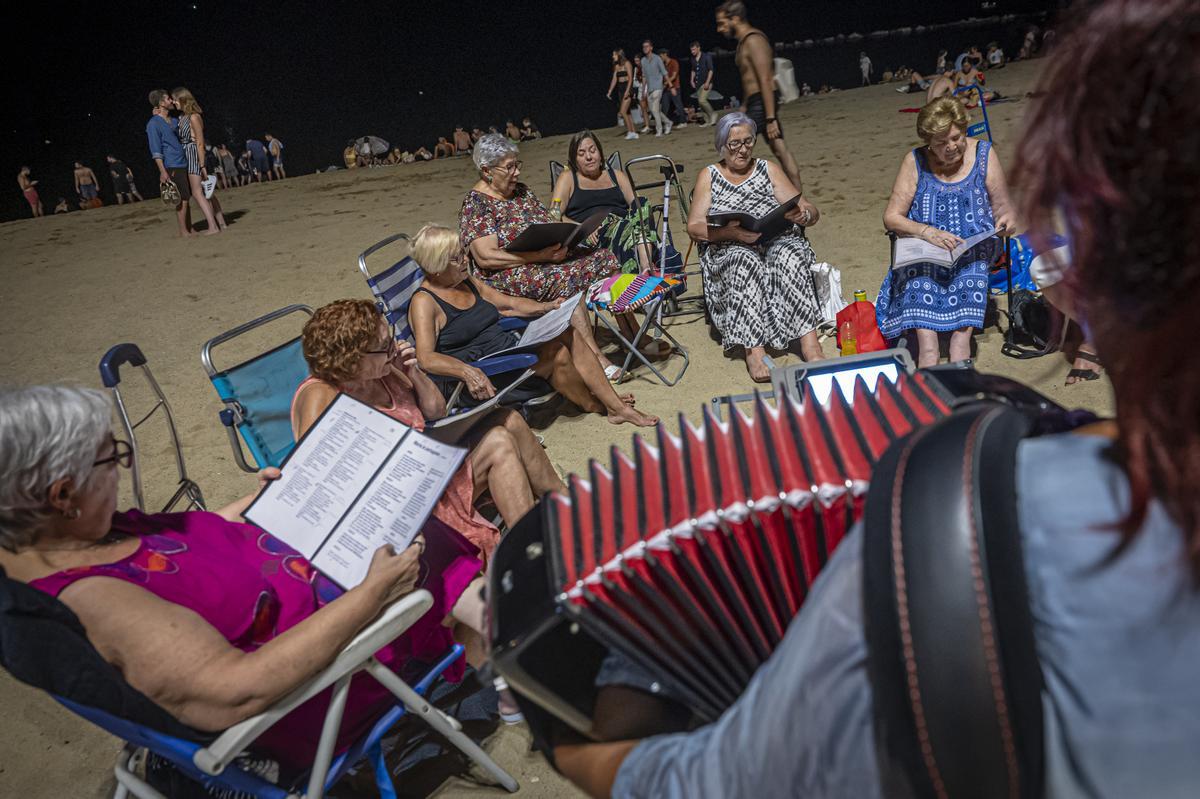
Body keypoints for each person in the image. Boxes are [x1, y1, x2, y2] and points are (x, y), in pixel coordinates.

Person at [546, 7, 1200, 795]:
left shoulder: (959, 525)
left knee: (792, 273)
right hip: (735, 256)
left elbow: (716, 780)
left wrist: (562, 733)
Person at [0, 385, 491, 779]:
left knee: (417, 526)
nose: (122, 469)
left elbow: (182, 543)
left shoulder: (66, 535)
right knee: (432, 548)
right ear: (62, 495)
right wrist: (372, 595)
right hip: (319, 685)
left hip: (302, 564)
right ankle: (495, 681)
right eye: (113, 459)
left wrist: (257, 504)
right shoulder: (97, 601)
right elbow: (238, 692)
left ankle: (491, 656)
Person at [292, 298, 567, 553]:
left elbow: (434, 411)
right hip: (395, 502)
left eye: (391, 339)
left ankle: (564, 506)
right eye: (385, 346)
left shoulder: (383, 371)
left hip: (426, 471)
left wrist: (412, 371)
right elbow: (319, 477)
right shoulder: (322, 396)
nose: (394, 347)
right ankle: (533, 549)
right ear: (352, 359)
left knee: (509, 420)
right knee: (499, 442)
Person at [408, 225, 658, 427]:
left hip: (506, 351)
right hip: (485, 372)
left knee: (567, 332)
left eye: (463, 253)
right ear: (436, 267)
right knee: (557, 353)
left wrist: (547, 307)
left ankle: (610, 405)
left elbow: (508, 305)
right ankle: (603, 405)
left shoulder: (465, 281)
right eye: (456, 258)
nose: (465, 260)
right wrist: (467, 372)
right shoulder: (424, 302)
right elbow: (426, 357)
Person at [875, 97, 1016, 367]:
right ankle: (928, 361)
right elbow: (891, 217)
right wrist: (926, 232)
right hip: (926, 247)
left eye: (956, 137)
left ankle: (959, 358)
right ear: (929, 142)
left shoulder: (984, 154)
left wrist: (1008, 223)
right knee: (919, 283)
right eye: (941, 143)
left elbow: (1004, 209)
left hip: (974, 246)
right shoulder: (915, 160)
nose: (951, 147)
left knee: (969, 281)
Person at [686, 112, 824, 382]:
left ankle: (810, 344)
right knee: (743, 262)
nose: (743, 149)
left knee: (791, 255)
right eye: (734, 144)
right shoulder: (709, 175)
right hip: (729, 245)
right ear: (722, 145)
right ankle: (755, 351)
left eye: (748, 142)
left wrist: (805, 215)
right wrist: (729, 232)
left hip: (772, 238)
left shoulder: (767, 168)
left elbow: (809, 208)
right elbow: (694, 227)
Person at [460, 134, 620, 306]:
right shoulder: (477, 204)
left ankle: (629, 329)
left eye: (517, 164)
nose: (517, 172)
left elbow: (548, 221)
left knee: (605, 258)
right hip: (509, 273)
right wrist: (539, 256)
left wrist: (575, 232)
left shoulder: (521, 191)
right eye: (509, 167)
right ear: (486, 171)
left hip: (545, 260)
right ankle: (581, 332)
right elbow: (487, 258)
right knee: (564, 278)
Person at [716, 1, 809, 199]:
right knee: (779, 148)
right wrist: (744, 105)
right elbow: (750, 80)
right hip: (755, 102)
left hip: (763, 103)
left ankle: (740, 198)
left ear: (735, 19)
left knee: (732, 146)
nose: (720, 28)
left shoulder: (754, 40)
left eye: (722, 23)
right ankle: (797, 199)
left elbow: (766, 79)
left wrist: (770, 118)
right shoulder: (744, 42)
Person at [552, 130, 654, 274]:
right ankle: (645, 270)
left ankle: (645, 265)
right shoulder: (568, 178)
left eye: (593, 151)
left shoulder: (617, 176)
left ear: (600, 154)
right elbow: (555, 215)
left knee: (641, 202)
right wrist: (583, 228)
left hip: (627, 227)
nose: (589, 157)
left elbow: (638, 207)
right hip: (594, 234)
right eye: (581, 154)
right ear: (575, 160)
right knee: (624, 227)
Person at [173, 87, 227, 234]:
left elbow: (200, 142)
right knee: (206, 192)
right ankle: (221, 223)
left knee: (197, 193)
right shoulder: (183, 117)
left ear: (183, 99)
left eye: (175, 99)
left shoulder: (194, 117)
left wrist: (202, 164)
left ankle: (213, 227)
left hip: (194, 155)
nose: (173, 102)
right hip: (189, 154)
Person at [145, 89, 193, 237]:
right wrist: (162, 171)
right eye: (168, 99)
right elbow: (155, 150)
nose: (171, 101)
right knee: (181, 198)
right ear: (161, 103)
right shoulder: (153, 124)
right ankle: (183, 231)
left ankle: (189, 228)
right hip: (171, 165)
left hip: (183, 162)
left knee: (186, 197)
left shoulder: (173, 121)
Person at [639, 40, 670, 136]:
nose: (645, 48)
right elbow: (644, 76)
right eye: (644, 47)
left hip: (658, 87)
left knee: (655, 109)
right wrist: (644, 90)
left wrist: (670, 85)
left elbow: (664, 72)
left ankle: (659, 130)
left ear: (651, 48)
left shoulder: (657, 59)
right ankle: (668, 122)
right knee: (654, 110)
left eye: (647, 46)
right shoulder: (643, 61)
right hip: (649, 89)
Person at [606, 49, 638, 140]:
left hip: (627, 87)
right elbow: (614, 79)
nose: (613, 57)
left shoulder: (627, 63)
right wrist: (610, 91)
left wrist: (628, 91)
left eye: (614, 55)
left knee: (622, 112)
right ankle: (633, 132)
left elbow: (631, 78)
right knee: (627, 112)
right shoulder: (616, 66)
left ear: (619, 55)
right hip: (620, 89)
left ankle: (630, 132)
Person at [690, 41, 717, 126]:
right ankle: (707, 120)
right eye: (691, 50)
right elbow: (693, 70)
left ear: (698, 48)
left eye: (694, 50)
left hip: (706, 82)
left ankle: (713, 114)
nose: (692, 52)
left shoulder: (706, 57)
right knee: (700, 104)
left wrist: (707, 82)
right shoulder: (693, 59)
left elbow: (711, 70)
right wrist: (691, 80)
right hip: (698, 84)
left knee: (702, 100)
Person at [659, 48, 688, 127]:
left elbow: (674, 76)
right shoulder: (663, 65)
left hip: (675, 87)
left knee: (678, 105)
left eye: (661, 56)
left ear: (665, 54)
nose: (660, 58)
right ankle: (665, 123)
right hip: (666, 89)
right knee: (664, 107)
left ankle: (683, 122)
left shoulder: (674, 62)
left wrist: (665, 83)